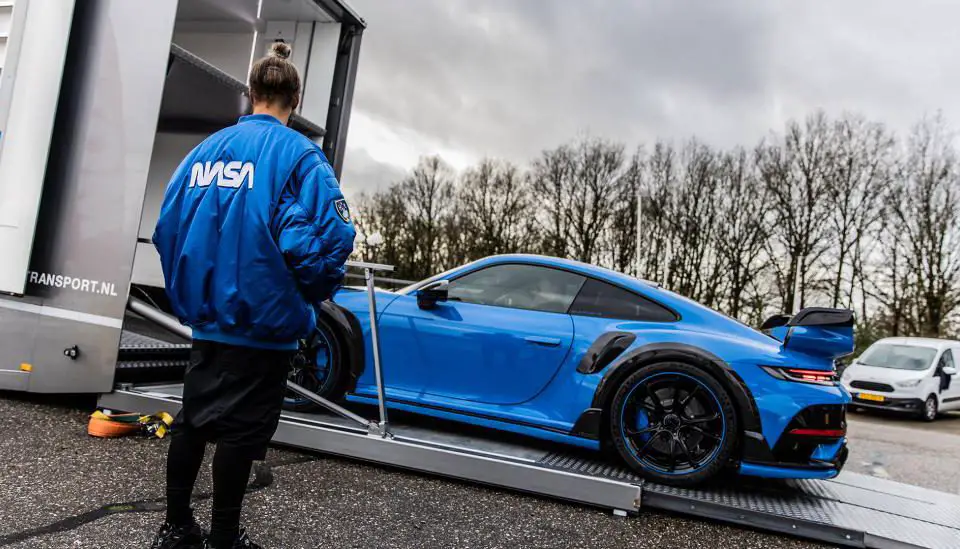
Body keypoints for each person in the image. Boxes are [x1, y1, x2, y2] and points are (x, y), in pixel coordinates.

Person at [149, 41, 356, 549]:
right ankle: (222, 538)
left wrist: (191, 288)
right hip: (265, 324)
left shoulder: (205, 151)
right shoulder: (301, 157)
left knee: (194, 420)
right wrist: (310, 294)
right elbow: (332, 241)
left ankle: (176, 529)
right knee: (241, 432)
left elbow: (167, 227)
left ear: (250, 92)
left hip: (208, 318)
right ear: (296, 98)